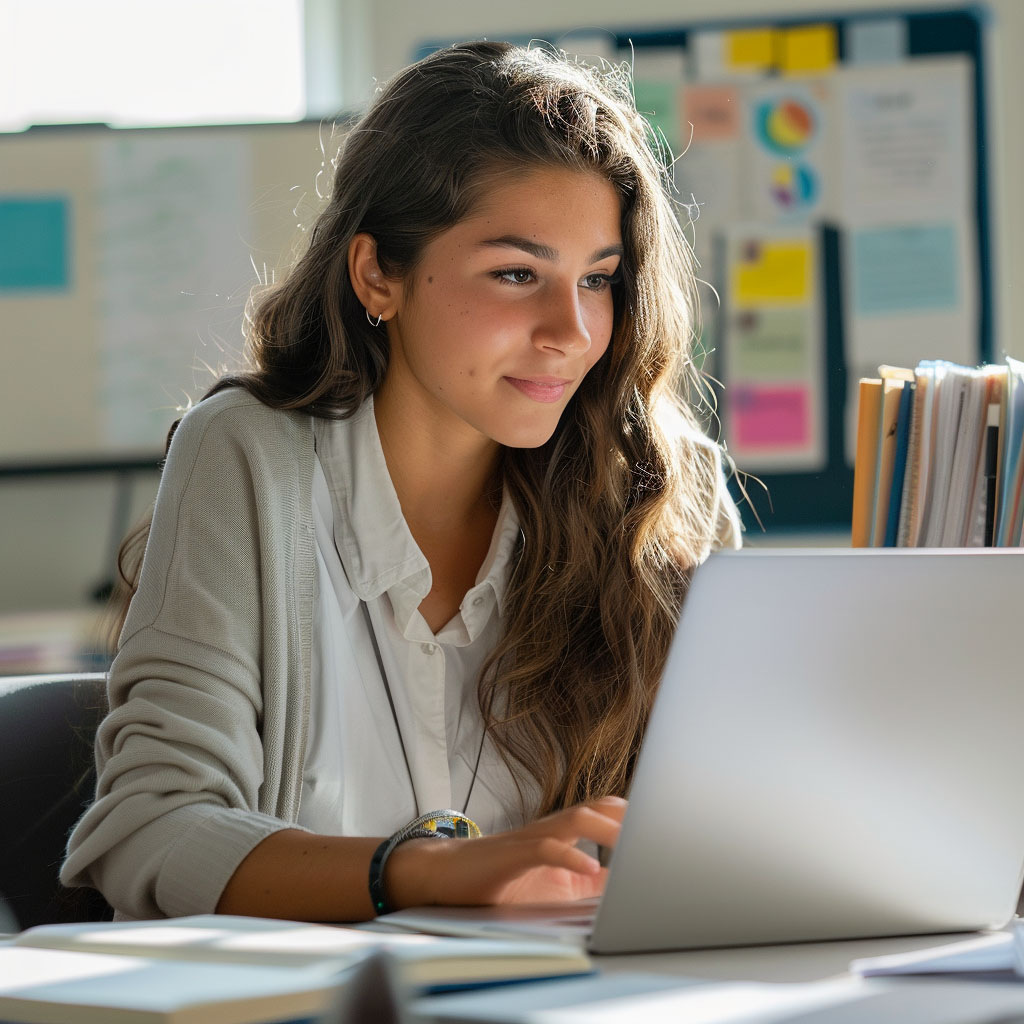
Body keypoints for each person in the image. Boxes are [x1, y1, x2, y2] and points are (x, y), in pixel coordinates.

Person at [61, 40, 741, 923]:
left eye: (600, 281)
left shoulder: (658, 494)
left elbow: (724, 829)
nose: (572, 331)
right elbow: (151, 831)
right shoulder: (248, 458)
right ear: (377, 274)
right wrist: (428, 872)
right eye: (516, 274)